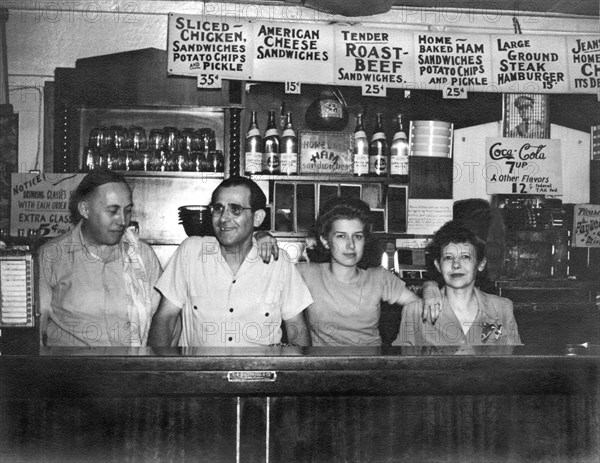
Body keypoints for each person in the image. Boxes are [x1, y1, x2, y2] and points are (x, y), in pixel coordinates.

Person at [148, 176, 313, 347]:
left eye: (235, 210)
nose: (223, 218)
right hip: (201, 372)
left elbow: (297, 331)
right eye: (218, 209)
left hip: (261, 371)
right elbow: (165, 318)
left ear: (257, 218)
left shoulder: (278, 262)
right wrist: (158, 371)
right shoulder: (191, 252)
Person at [38, 170, 163, 347]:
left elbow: (163, 318)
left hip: (130, 369)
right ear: (85, 210)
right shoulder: (52, 255)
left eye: (127, 211)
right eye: (112, 211)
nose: (122, 221)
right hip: (70, 371)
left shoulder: (142, 255)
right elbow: (36, 326)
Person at [296, 196, 422, 346]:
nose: (351, 245)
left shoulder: (379, 277)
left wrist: (430, 286)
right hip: (323, 365)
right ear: (325, 241)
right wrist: (261, 236)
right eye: (341, 236)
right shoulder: (306, 273)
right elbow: (269, 273)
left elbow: (418, 306)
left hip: (372, 366)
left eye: (357, 236)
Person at [393, 221, 522, 346]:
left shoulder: (502, 308)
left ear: (481, 264)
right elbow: (404, 364)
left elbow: (513, 363)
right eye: (448, 258)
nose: (456, 264)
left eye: (465, 257)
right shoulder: (414, 312)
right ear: (438, 265)